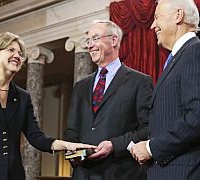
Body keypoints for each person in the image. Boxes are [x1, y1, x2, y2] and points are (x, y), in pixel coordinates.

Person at [0, 28, 96, 180]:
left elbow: (36, 137)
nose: (17, 56)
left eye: (20, 54)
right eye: (11, 50)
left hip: (11, 173)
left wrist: (67, 145)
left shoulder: (22, 96)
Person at [130, 0, 200, 179]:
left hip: (188, 172)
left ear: (178, 16)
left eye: (157, 17)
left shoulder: (198, 52)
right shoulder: (179, 57)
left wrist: (151, 148)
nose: (152, 25)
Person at [63, 20, 153, 180]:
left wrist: (114, 145)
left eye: (95, 38)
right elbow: (71, 129)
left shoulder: (139, 82)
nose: (90, 45)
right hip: (83, 174)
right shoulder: (81, 86)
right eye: (88, 40)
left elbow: (148, 129)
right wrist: (75, 150)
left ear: (113, 40)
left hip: (121, 173)